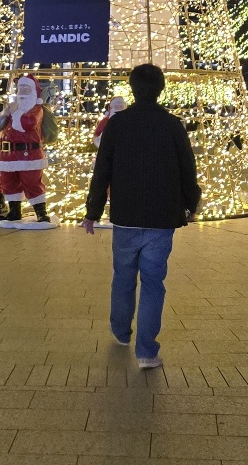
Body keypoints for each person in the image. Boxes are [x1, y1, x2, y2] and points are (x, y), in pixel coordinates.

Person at [83, 63, 201, 369]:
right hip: (161, 219)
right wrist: (192, 205)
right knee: (153, 282)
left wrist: (92, 212)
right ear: (161, 89)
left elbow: (102, 171)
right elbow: (188, 169)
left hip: (125, 216)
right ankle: (147, 352)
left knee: (122, 276)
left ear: (132, 89)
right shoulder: (172, 125)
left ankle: (121, 333)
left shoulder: (117, 124)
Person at [0, 74, 50, 221]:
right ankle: (14, 211)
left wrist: (15, 112)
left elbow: (28, 124)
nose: (23, 93)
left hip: (28, 154)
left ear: (33, 93)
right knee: (9, 183)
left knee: (32, 182)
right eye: (21, 89)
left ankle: (41, 213)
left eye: (27, 89)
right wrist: (4, 114)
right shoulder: (13, 108)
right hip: (7, 156)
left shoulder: (36, 109)